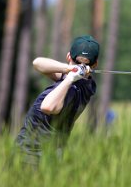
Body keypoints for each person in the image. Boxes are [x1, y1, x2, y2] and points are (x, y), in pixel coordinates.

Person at [15, 35, 100, 164]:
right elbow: (37, 63)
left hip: (28, 157)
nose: (80, 68)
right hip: (52, 157)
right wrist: (68, 69)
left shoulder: (70, 88)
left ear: (68, 56)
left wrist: (70, 78)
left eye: (84, 64)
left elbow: (47, 107)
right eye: (78, 63)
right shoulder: (88, 85)